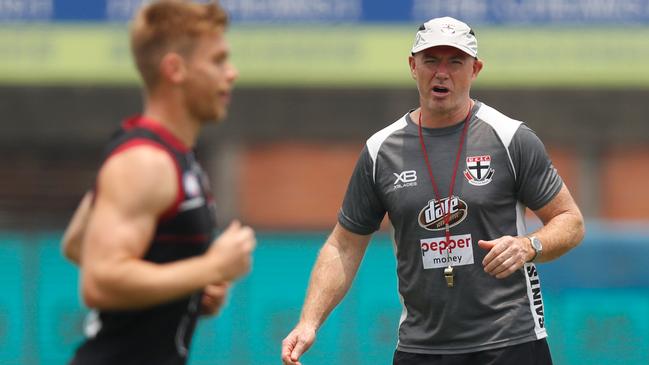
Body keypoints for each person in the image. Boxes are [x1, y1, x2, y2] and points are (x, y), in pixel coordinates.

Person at [281, 16, 585, 365]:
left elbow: (570, 221)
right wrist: (308, 323)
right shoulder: (382, 150)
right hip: (420, 349)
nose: (442, 72)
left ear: (475, 69)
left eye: (455, 62)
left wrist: (527, 245)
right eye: (431, 60)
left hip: (509, 342)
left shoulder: (511, 137)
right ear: (413, 66)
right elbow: (344, 245)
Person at [60, 1, 256, 364]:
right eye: (217, 60)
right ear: (175, 69)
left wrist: (191, 290)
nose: (231, 73)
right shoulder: (144, 161)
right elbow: (100, 279)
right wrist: (211, 268)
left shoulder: (171, 153)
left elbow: (78, 243)